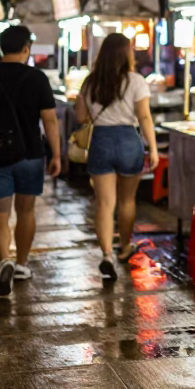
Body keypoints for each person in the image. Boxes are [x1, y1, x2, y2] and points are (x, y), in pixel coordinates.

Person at [0, 26, 61, 297]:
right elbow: (49, 119)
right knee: (26, 212)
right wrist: (56, 154)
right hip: (29, 153)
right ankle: (21, 264)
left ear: (1, 47)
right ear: (26, 48)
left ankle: (4, 258)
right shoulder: (37, 78)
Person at [75, 34, 160, 277]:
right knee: (127, 201)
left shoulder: (90, 82)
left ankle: (107, 255)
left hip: (101, 141)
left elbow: (81, 118)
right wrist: (152, 148)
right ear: (126, 54)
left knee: (104, 204)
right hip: (127, 141)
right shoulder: (135, 81)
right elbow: (143, 116)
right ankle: (123, 247)